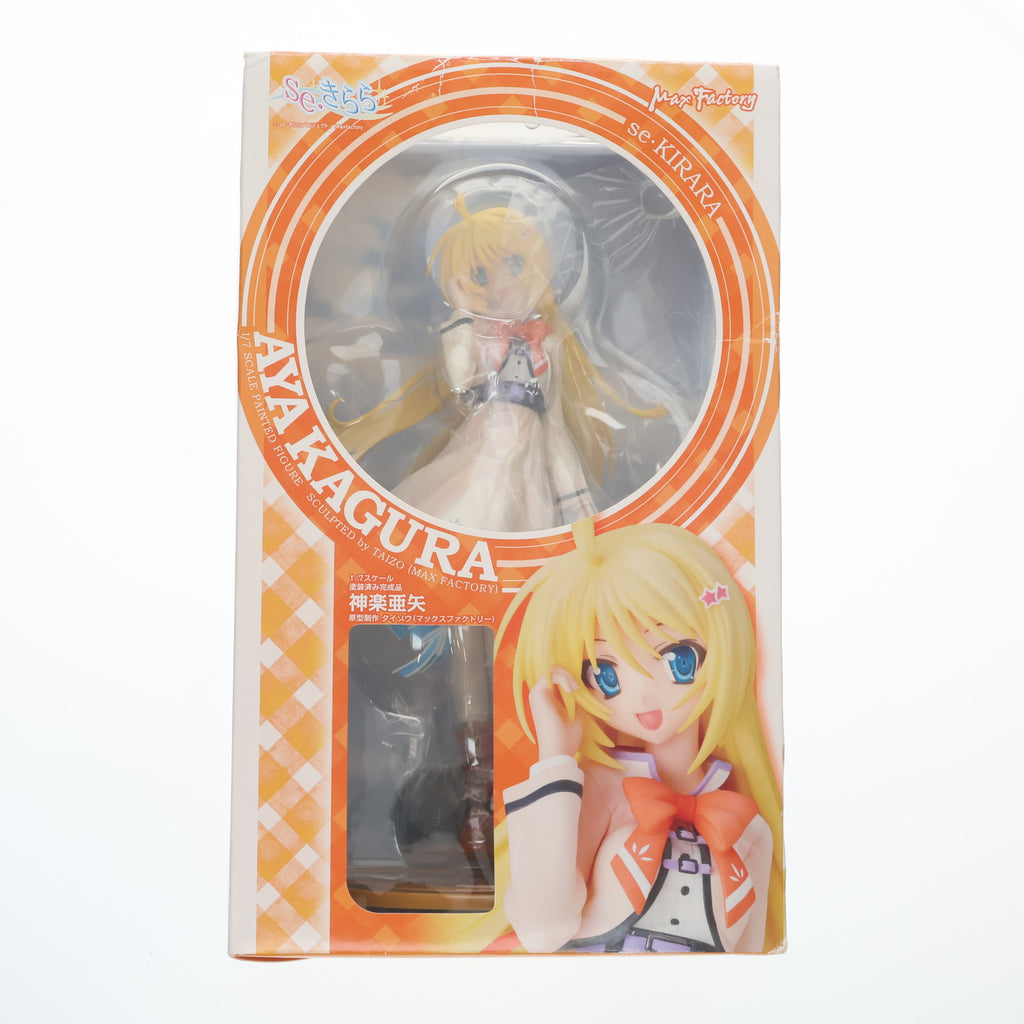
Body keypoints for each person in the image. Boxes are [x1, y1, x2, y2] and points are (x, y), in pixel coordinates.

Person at [498, 518, 784, 953]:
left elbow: (753, 960)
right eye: (606, 675)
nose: (645, 695)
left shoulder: (750, 827)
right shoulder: (600, 790)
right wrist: (554, 757)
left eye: (678, 660)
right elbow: (542, 930)